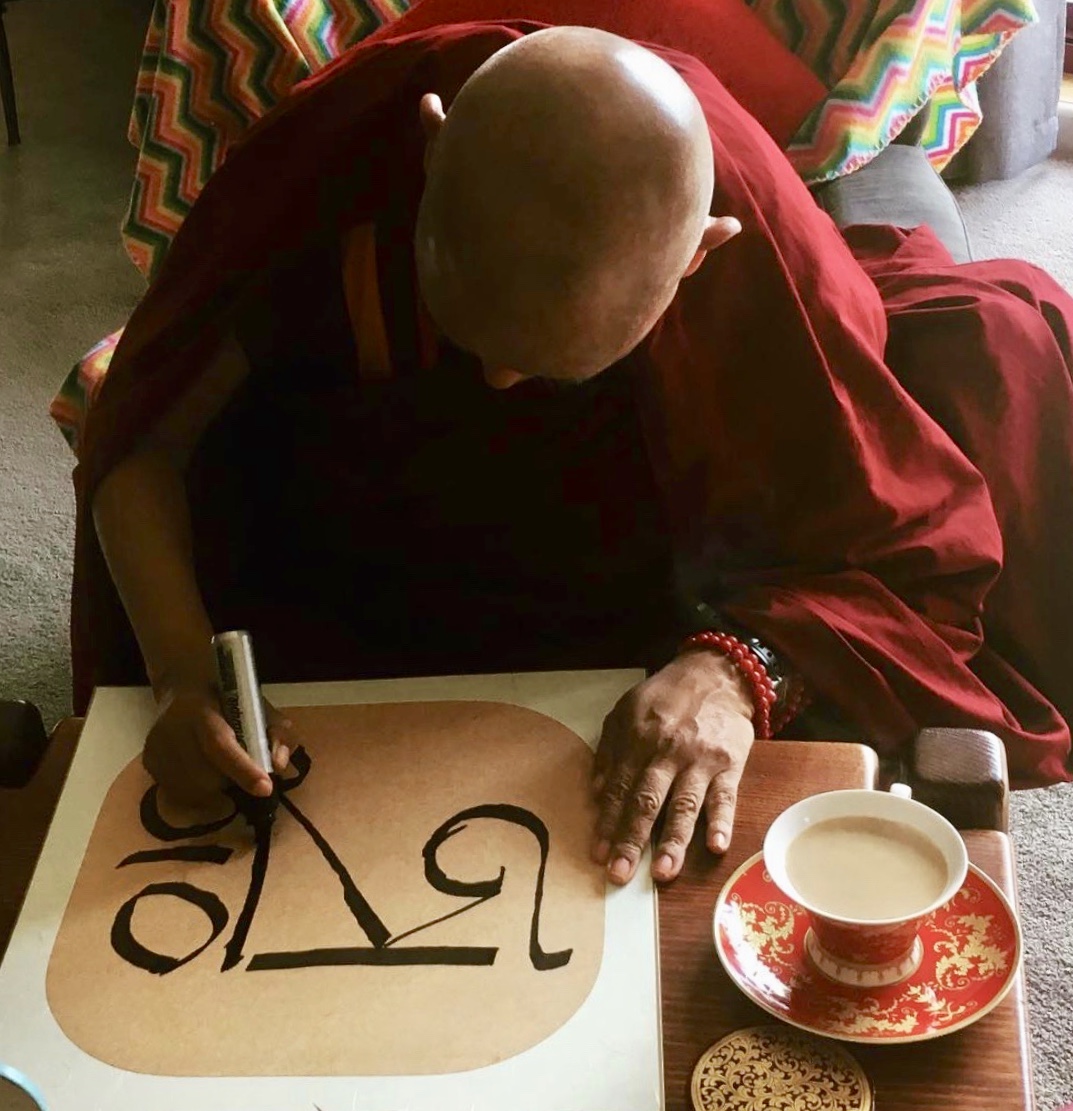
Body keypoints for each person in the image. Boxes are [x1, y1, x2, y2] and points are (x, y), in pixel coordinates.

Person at [74, 20, 1073, 890]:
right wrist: (178, 671)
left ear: (698, 256)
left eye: (552, 368)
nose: (499, 388)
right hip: (355, 544)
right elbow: (144, 445)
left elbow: (901, 552)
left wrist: (736, 670)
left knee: (991, 358)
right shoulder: (327, 157)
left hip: (631, 551)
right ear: (426, 151)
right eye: (472, 332)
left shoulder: (751, 236)